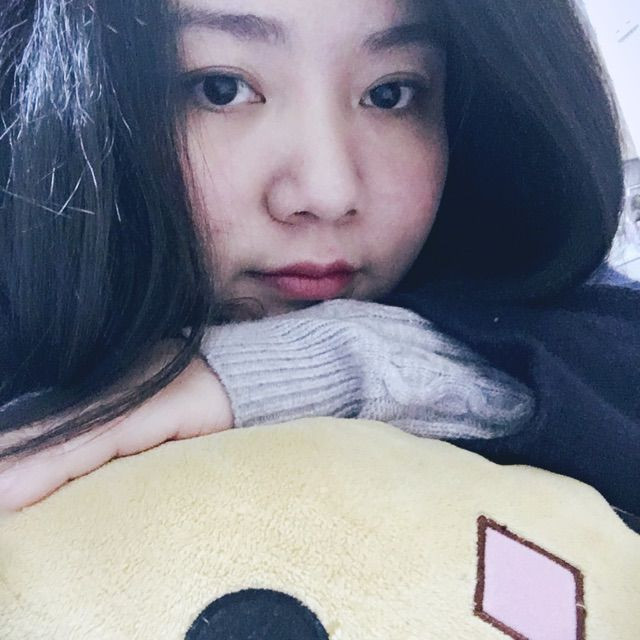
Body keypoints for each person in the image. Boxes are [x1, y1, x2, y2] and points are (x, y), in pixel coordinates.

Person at [1, 0, 638, 517]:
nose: (328, 192)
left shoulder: (555, 312)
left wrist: (305, 365)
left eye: (390, 94)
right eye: (221, 89)